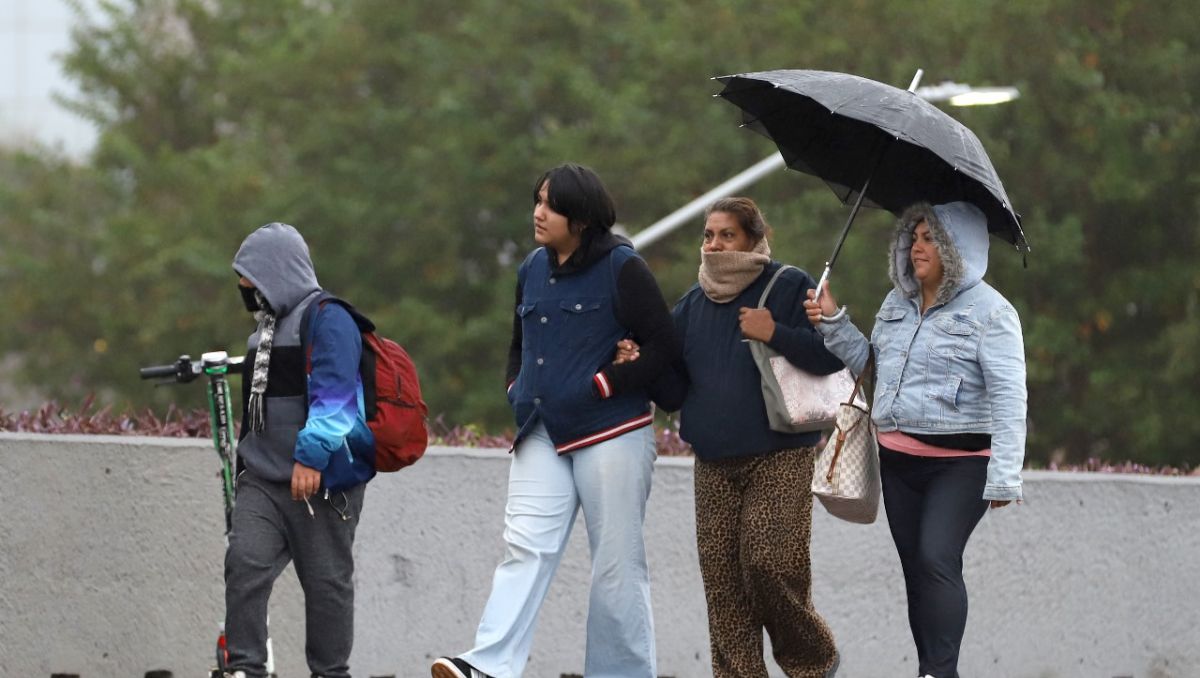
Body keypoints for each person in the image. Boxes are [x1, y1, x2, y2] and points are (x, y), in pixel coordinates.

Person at [432, 163, 680, 678]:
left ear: (582, 217)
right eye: (537, 200)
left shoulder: (623, 268)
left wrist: (607, 383)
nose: (538, 212)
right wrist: (515, 389)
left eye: (550, 204)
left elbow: (664, 349)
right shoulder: (531, 269)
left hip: (612, 431)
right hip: (541, 431)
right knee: (523, 549)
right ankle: (488, 666)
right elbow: (518, 345)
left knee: (616, 567)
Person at [615, 197, 843, 678]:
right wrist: (641, 366)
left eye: (727, 235)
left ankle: (813, 661)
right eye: (708, 235)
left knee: (767, 565)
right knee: (723, 587)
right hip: (713, 463)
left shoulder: (789, 285)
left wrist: (774, 332)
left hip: (779, 456)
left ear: (753, 239)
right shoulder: (691, 306)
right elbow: (674, 392)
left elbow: (830, 358)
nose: (714, 244)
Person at [804, 201, 1027, 678]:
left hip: (962, 465)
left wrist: (1005, 477)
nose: (916, 247)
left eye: (930, 239)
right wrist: (830, 321)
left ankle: (940, 672)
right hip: (898, 461)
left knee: (936, 558)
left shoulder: (993, 313)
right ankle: (930, 669)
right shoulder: (895, 304)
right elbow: (873, 368)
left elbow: (1011, 398)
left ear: (956, 249)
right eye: (914, 237)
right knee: (916, 572)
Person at [224, 222, 375, 678]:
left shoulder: (329, 318)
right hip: (263, 480)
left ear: (277, 273)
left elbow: (336, 397)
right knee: (244, 565)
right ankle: (244, 669)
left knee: (327, 587)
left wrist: (311, 457)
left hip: (321, 481)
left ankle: (330, 673)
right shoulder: (262, 335)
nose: (247, 291)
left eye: (252, 281)